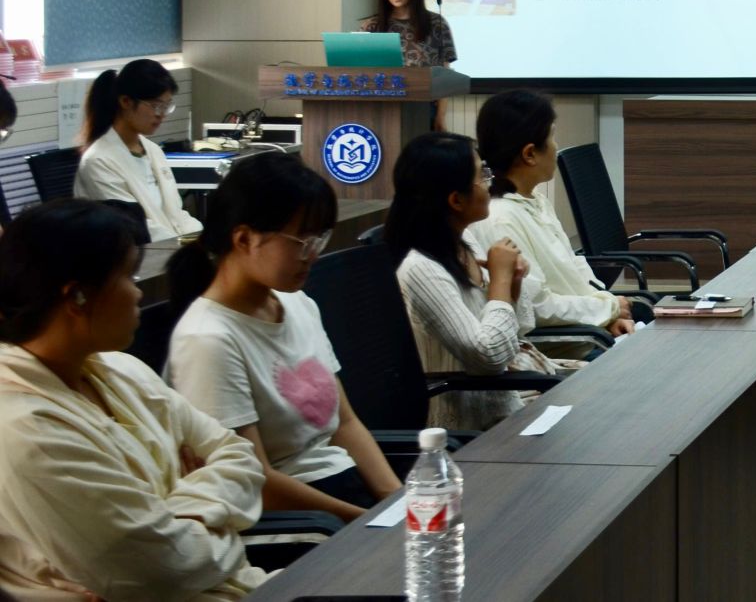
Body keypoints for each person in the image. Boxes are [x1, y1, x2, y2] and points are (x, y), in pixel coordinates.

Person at [0, 200, 269, 600]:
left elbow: (240, 457)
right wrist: (219, 521)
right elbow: (162, 571)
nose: (139, 292)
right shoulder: (26, 430)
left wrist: (175, 516)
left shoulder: (121, 369)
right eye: (129, 275)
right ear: (77, 298)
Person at [164, 154, 402, 523]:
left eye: (319, 239)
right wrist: (366, 521)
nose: (313, 255)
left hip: (343, 491)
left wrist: (399, 503)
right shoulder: (207, 340)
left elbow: (344, 423)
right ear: (245, 239)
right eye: (301, 241)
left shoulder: (298, 304)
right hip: (298, 521)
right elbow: (253, 481)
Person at [385, 131, 572, 431]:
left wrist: (513, 283)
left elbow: (520, 329)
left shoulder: (464, 241)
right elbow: (488, 356)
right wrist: (500, 282)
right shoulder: (421, 269)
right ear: (456, 200)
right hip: (472, 426)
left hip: (507, 401)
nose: (490, 182)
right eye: (482, 175)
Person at [470, 90, 634, 342]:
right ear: (530, 154)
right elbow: (537, 307)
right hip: (569, 347)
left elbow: (575, 268)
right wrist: (606, 309)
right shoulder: (500, 219)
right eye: (552, 136)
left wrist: (609, 313)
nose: (556, 147)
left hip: (591, 331)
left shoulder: (534, 199)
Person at [75, 59, 202, 242]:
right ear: (126, 102)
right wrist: (183, 245)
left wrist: (201, 239)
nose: (161, 114)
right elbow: (134, 228)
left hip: (168, 246)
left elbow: (176, 215)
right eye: (155, 105)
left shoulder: (152, 150)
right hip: (137, 253)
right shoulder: (98, 161)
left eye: (166, 106)